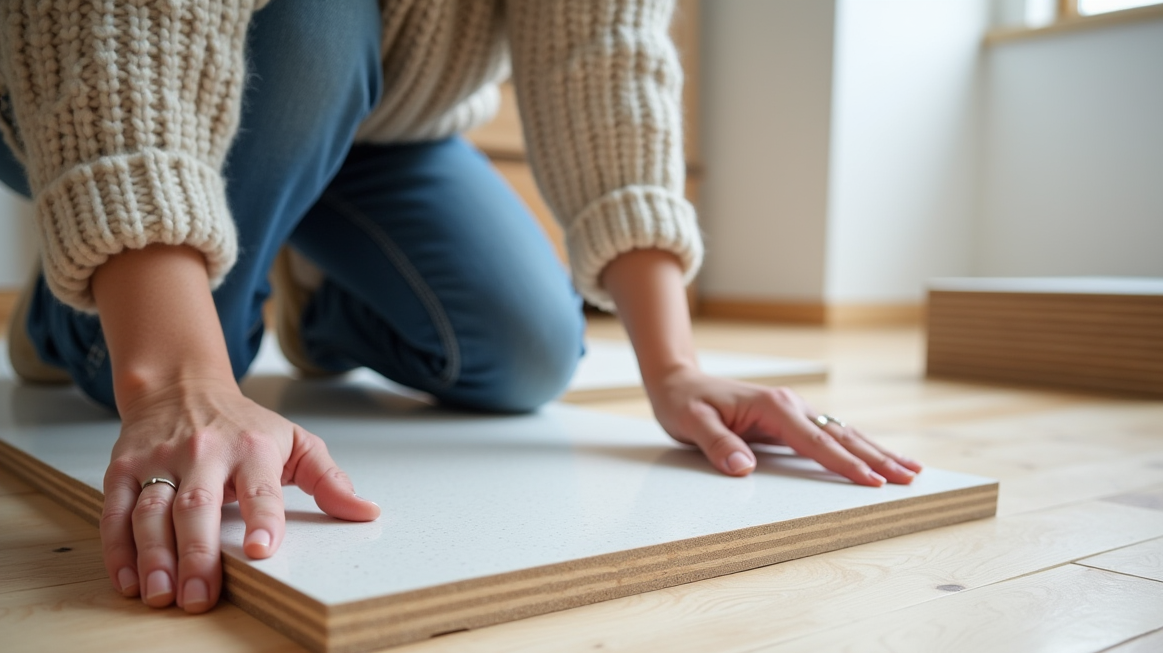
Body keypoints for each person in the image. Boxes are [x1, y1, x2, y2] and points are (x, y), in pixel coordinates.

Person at [0, 0, 922, 615]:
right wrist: (178, 374)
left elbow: (606, 53)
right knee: (320, 38)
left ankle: (316, 300)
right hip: (132, 80)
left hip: (386, 126)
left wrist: (673, 365)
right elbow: (115, 27)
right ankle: (66, 319)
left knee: (529, 353)